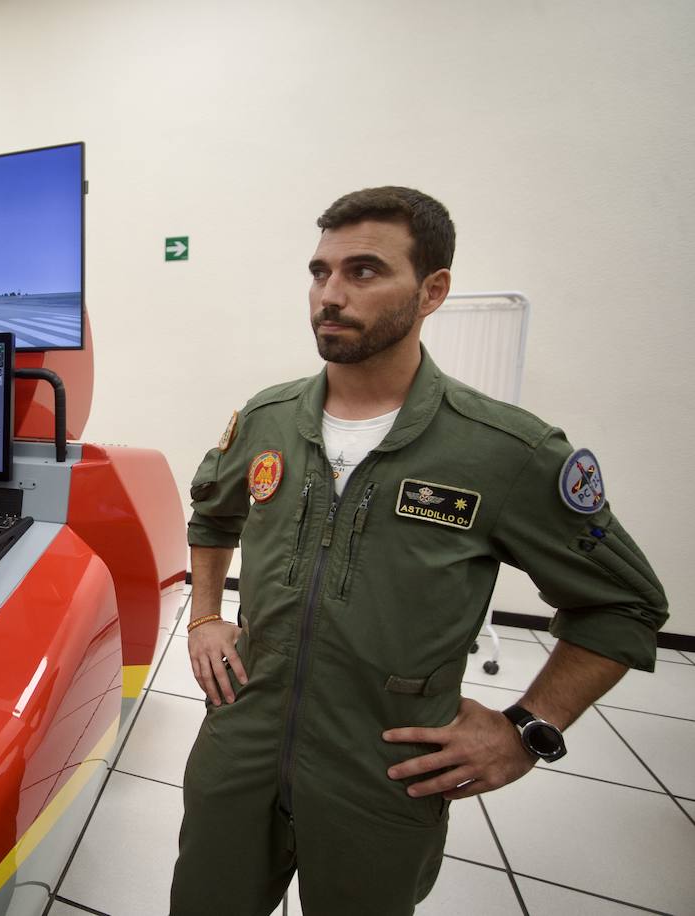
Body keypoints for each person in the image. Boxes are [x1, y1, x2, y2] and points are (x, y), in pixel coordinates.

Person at [169, 187, 667, 916]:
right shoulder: (269, 418)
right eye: (319, 272)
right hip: (239, 741)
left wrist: (527, 731)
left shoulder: (505, 451)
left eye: (364, 271)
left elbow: (624, 606)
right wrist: (205, 617)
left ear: (432, 290)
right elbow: (213, 512)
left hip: (383, 767)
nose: (330, 295)